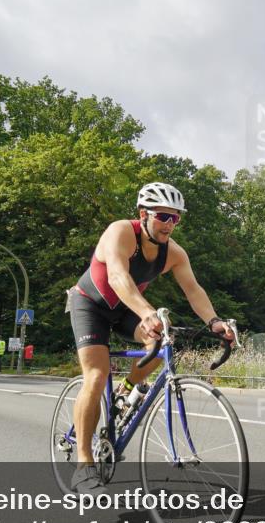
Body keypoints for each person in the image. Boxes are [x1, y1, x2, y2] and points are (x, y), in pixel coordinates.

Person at [66, 182, 235, 494]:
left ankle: (126, 390)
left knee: (159, 345)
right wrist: (146, 311)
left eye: (175, 218)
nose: (169, 224)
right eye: (162, 216)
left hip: (125, 310)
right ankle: (84, 464)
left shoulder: (175, 254)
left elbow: (194, 290)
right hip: (90, 305)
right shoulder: (119, 231)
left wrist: (213, 321)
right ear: (143, 214)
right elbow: (117, 276)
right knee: (96, 373)